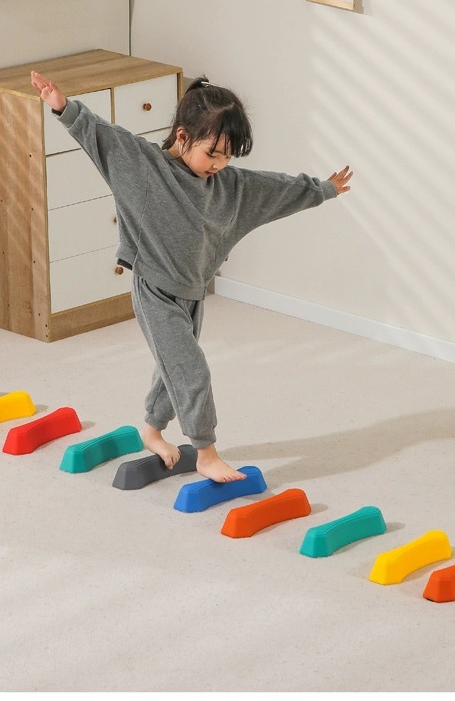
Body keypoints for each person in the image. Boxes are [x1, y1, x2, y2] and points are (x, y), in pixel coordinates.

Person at [31, 70, 353, 482]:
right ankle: (206, 453)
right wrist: (63, 107)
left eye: (228, 156)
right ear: (183, 137)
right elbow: (103, 137)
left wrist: (323, 189)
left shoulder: (228, 187)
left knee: (174, 367)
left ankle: (151, 430)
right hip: (154, 290)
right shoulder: (145, 168)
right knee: (191, 370)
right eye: (212, 153)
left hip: (192, 292)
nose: (219, 164)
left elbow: (274, 189)